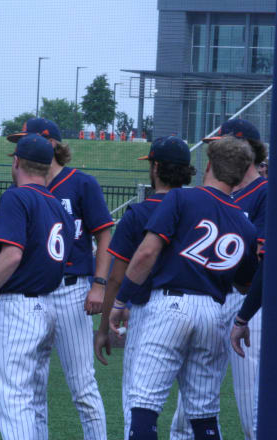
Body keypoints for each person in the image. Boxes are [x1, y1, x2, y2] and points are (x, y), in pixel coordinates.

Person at [111, 136, 258, 440]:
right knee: (203, 414)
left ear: (210, 165)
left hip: (170, 306)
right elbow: (245, 284)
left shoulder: (182, 199)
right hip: (213, 313)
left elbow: (147, 253)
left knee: (145, 405)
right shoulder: (245, 224)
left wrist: (121, 300)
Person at [0, 133, 74, 440]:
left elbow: (11, 255)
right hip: (48, 306)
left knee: (14, 399)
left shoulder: (17, 197)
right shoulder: (59, 206)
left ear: (16, 162)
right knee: (35, 399)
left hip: (21, 307)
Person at [7, 118, 112, 439]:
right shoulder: (23, 187)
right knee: (33, 388)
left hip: (72, 291)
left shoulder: (81, 183)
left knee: (83, 387)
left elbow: (105, 233)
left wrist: (99, 283)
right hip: (34, 295)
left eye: (28, 140)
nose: (20, 148)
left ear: (51, 144)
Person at [92, 136, 196, 439]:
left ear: (156, 168)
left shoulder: (138, 214)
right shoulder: (199, 208)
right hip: (198, 308)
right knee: (196, 410)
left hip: (148, 312)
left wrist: (103, 326)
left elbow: (116, 277)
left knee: (139, 404)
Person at [171, 119, 268, 440]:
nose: (213, 151)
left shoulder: (266, 193)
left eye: (221, 144)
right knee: (188, 414)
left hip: (248, 304)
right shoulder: (219, 196)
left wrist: (244, 313)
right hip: (212, 301)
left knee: (253, 412)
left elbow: (262, 262)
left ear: (245, 151)